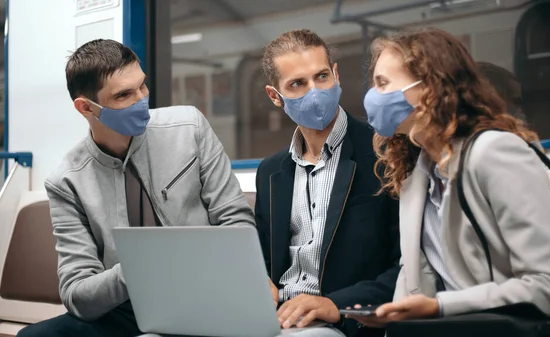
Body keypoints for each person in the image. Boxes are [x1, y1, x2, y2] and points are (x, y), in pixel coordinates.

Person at [346, 28, 550, 336]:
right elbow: (414, 279)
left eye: (382, 83)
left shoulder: (495, 153)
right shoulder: (417, 176)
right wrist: (393, 317)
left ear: (429, 87)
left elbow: (549, 288)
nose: (372, 97)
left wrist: (439, 306)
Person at [17, 39, 255, 337]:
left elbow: (238, 222)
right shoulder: (67, 181)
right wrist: (139, 269)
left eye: (142, 86)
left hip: (207, 293)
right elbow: (78, 295)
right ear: (86, 107)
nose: (141, 99)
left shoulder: (189, 127)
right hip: (128, 306)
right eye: (123, 95)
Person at [254, 29, 401, 337]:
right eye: (297, 84)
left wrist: (336, 304)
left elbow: (407, 267)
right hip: (277, 318)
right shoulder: (270, 172)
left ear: (336, 74)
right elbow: (266, 264)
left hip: (341, 321)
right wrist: (256, 282)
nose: (314, 90)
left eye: (321, 77)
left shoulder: (385, 154)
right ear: (274, 96)